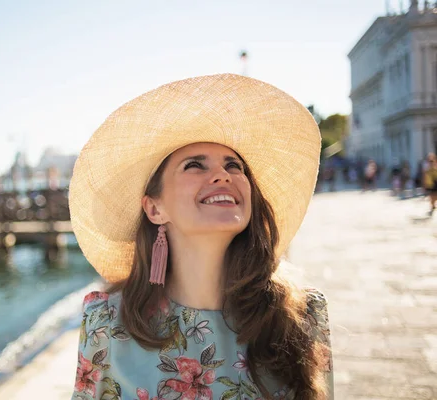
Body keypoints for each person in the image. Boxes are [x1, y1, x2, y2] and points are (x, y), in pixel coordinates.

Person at [69, 74, 333, 400]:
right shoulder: (105, 323)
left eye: (234, 166)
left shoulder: (301, 314)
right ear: (155, 209)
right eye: (195, 165)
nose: (223, 174)